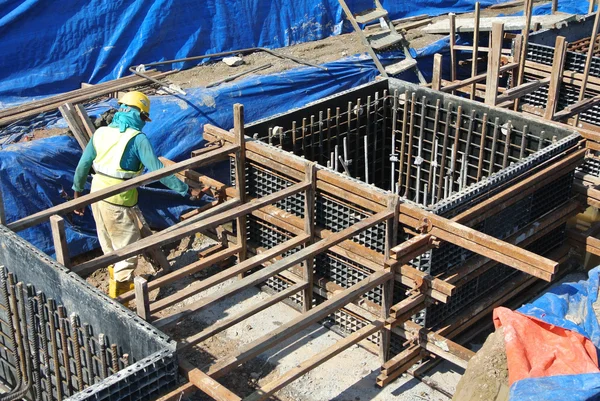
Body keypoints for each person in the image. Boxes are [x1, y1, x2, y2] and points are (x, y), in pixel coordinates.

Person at [72, 91, 202, 298]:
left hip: (96, 195)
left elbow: (83, 166)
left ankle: (117, 280)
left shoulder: (101, 133)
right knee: (128, 250)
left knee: (109, 244)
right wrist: (187, 190)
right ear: (137, 114)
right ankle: (120, 296)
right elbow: (159, 171)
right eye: (143, 117)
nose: (144, 122)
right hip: (118, 201)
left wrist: (78, 197)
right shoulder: (137, 139)